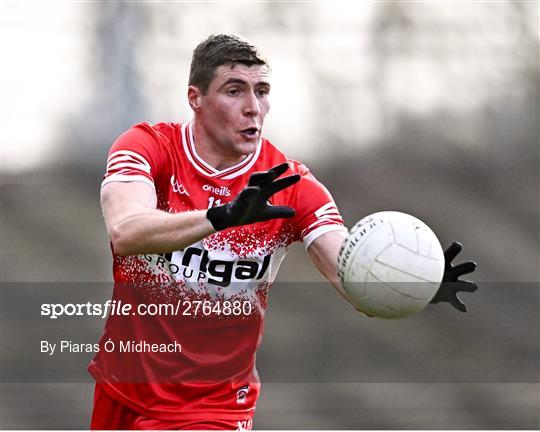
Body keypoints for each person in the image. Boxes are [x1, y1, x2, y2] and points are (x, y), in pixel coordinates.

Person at [89, 33, 477, 430]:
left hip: (211, 406)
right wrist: (221, 216)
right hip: (121, 387)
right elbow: (126, 230)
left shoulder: (290, 185)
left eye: (262, 91)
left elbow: (348, 268)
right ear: (196, 98)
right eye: (234, 91)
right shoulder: (148, 147)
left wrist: (412, 280)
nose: (253, 107)